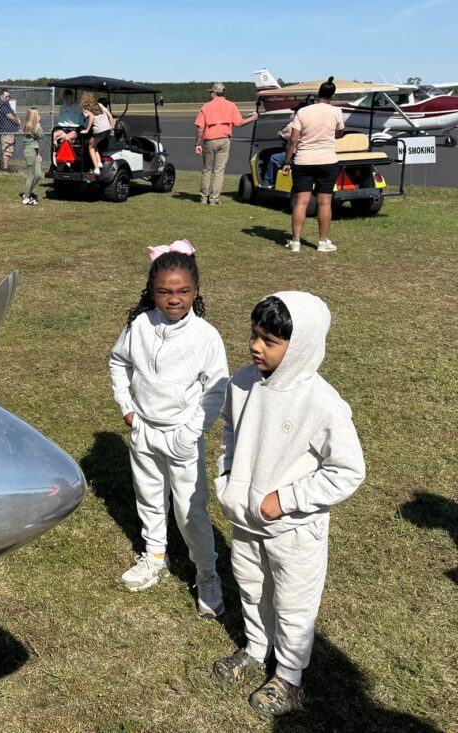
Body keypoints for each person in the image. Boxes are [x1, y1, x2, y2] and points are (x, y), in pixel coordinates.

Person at [212, 292, 365, 717]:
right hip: (245, 519)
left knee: (294, 603)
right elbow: (231, 432)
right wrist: (228, 480)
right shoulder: (242, 382)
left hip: (295, 530)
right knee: (251, 587)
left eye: (269, 341)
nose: (255, 346)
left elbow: (348, 471)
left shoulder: (322, 403)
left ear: (299, 347)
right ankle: (255, 648)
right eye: (254, 335)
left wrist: (286, 499)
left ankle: (289, 676)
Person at [109, 241, 228, 618]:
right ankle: (154, 556)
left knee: (191, 510)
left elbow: (217, 390)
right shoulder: (140, 326)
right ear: (152, 291)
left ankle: (206, 571)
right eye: (164, 291)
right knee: (148, 497)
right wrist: (128, 409)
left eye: (182, 291)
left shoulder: (206, 336)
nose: (174, 299)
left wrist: (190, 433)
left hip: (182, 438)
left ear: (195, 291)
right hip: (144, 432)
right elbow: (118, 362)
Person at [281, 78, 345, 252]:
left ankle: (295, 241)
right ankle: (322, 242)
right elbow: (339, 132)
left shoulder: (302, 112)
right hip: (327, 161)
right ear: (332, 96)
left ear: (318, 93)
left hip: (303, 160)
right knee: (325, 203)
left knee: (301, 202)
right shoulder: (336, 111)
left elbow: (293, 140)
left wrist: (287, 161)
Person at [194, 82, 259, 205]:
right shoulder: (231, 105)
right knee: (219, 170)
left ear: (214, 93)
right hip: (224, 140)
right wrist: (252, 118)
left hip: (210, 140)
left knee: (207, 169)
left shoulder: (206, 106)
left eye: (211, 92)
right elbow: (239, 123)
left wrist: (198, 143)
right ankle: (214, 199)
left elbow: (200, 127)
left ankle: (203, 198)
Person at [81, 92, 111, 175]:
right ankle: (99, 162)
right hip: (107, 129)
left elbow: (91, 117)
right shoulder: (99, 105)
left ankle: (96, 169)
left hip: (99, 130)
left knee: (90, 147)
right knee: (94, 145)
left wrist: (87, 130)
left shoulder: (86, 108)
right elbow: (109, 116)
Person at [21, 107, 43, 205]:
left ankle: (27, 193)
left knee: (38, 175)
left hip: (34, 152)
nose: (40, 116)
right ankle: (26, 198)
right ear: (34, 117)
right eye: (38, 115)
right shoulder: (33, 127)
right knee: (31, 176)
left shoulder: (33, 126)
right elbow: (41, 135)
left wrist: (38, 154)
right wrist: (38, 123)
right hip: (30, 153)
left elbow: (34, 142)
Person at [0, 89, 21, 171]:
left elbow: (12, 114)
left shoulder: (6, 104)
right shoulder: (3, 105)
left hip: (9, 130)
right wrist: (18, 121)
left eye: (9, 96)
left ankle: (3, 166)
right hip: (6, 131)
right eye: (6, 96)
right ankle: (5, 168)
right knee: (7, 150)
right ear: (1, 96)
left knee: (7, 149)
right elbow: (10, 116)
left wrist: (17, 119)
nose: (8, 98)